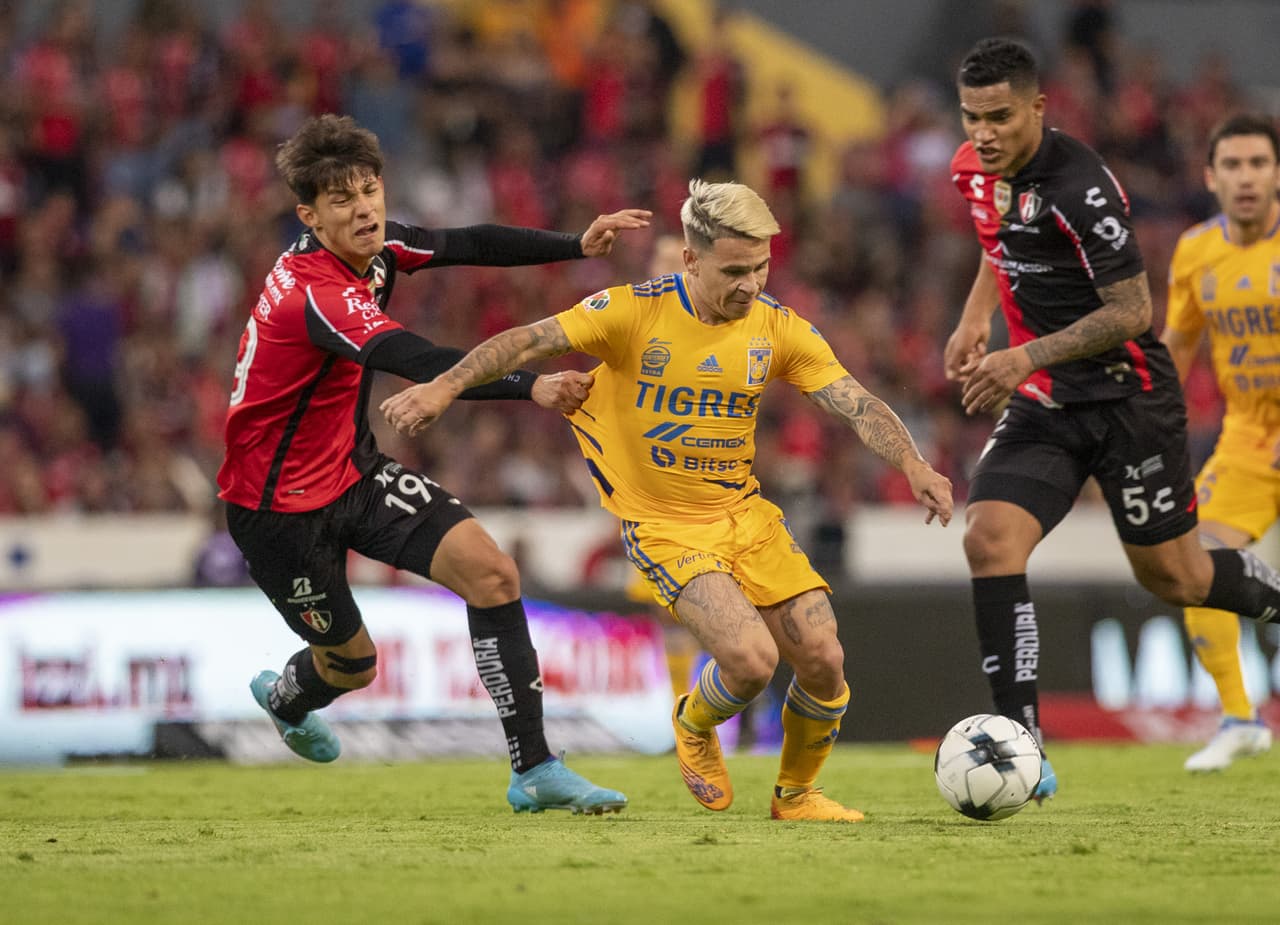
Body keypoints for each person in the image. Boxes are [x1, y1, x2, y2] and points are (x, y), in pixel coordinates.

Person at [381, 178, 955, 822]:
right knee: (750, 663)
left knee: (824, 660)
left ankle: (796, 796)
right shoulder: (631, 312)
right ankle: (694, 720)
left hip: (746, 516)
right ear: (690, 259)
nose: (751, 284)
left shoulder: (776, 328)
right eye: (734, 270)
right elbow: (523, 341)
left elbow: (854, 401)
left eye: (762, 268)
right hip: (665, 527)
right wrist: (442, 388)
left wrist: (913, 461)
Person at [216, 113, 651, 814]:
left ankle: (534, 768)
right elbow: (418, 361)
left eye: (369, 190)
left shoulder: (379, 246)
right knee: (353, 665)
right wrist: (530, 384)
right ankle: (289, 696)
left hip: (351, 473)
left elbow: (470, 241)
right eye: (340, 199)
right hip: (277, 512)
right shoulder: (315, 294)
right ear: (309, 215)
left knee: (492, 571)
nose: (362, 208)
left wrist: (577, 242)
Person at [943, 39, 1280, 803]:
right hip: (1048, 402)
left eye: (999, 116)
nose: (984, 133)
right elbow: (997, 242)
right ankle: (1023, 748)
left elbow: (1134, 311)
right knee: (989, 538)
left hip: (1127, 397)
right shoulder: (973, 168)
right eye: (971, 117)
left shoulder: (1082, 187)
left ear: (1037, 108)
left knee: (1180, 577)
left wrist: (1023, 357)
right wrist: (974, 321)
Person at [1162, 113, 1279, 771]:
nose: (1245, 177)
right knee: (1193, 560)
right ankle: (1240, 717)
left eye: (1258, 163)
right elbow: (1179, 342)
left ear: (1277, 173)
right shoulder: (1195, 251)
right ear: (1210, 176)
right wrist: (1149, 427)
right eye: (1232, 165)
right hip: (1247, 439)